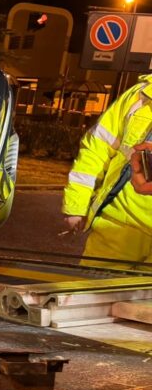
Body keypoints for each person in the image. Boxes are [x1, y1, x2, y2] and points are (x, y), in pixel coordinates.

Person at [63, 74, 152, 268]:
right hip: (117, 225)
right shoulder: (139, 96)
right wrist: (77, 205)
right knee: (91, 295)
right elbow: (97, 148)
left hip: (120, 225)